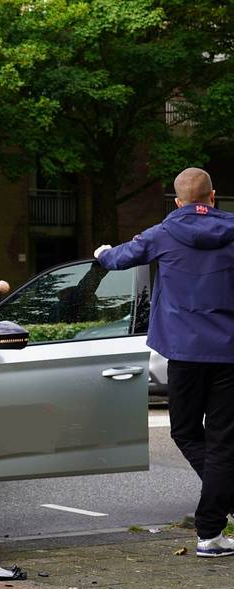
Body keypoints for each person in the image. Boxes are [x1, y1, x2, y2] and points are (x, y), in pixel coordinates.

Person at [94, 167, 234, 558]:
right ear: (212, 196)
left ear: (177, 201)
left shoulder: (162, 234)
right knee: (223, 441)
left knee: (186, 432)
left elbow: (119, 258)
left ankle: (211, 529)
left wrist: (101, 253)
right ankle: (211, 532)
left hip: (183, 353)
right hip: (228, 353)